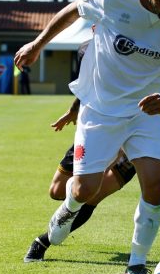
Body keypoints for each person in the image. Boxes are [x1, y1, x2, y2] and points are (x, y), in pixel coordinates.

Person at [14, 0, 160, 274]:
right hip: (100, 111)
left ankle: (135, 267)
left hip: (146, 112)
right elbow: (74, 10)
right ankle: (58, 223)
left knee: (156, 184)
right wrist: (37, 45)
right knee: (82, 191)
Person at [23, 97, 137, 262]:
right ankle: (74, 195)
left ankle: (43, 242)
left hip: (131, 141)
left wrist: (112, 157)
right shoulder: (108, 75)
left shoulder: (145, 81)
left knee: (92, 195)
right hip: (94, 131)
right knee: (56, 191)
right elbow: (88, 84)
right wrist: (74, 110)